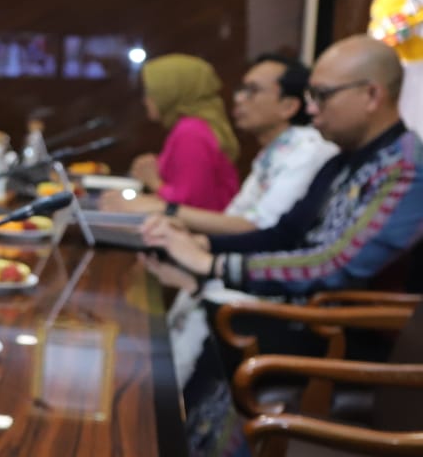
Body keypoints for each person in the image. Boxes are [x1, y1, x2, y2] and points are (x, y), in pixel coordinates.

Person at [146, 36, 423, 299]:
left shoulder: (406, 168)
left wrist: (211, 264)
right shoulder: (343, 160)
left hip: (332, 332)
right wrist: (204, 244)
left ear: (372, 95)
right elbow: (286, 234)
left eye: (321, 95)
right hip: (298, 312)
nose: (311, 109)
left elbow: (338, 265)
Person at [103, 54, 336, 233]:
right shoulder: (273, 151)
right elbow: (237, 215)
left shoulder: (306, 150)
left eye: (251, 91)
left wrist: (158, 200)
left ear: (289, 106)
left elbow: (260, 227)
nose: (238, 99)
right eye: (241, 90)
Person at [127, 54, 241, 211]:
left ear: (172, 91)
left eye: (151, 91)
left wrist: (153, 181)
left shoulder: (191, 132)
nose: (145, 99)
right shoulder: (193, 127)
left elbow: (190, 205)